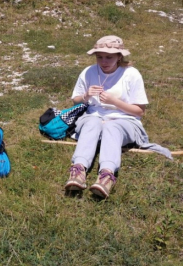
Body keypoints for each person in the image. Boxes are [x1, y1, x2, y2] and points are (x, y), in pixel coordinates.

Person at [64, 35, 169, 198]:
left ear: (119, 57)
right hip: (94, 117)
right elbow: (75, 100)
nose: (103, 61)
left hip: (125, 120)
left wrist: (115, 102)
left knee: (112, 127)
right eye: (99, 57)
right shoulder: (89, 72)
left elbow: (139, 111)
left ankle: (106, 175)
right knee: (92, 122)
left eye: (109, 57)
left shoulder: (131, 74)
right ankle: (78, 170)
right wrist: (86, 95)